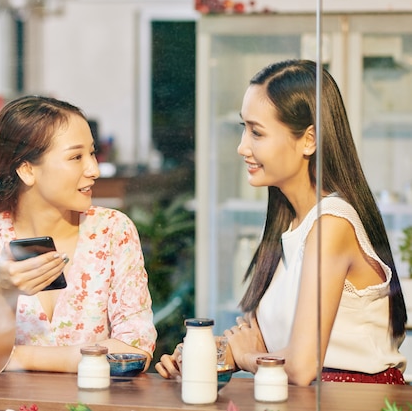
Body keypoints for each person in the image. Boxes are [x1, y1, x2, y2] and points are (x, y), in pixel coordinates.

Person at [155, 59, 407, 385]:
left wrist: (246, 357)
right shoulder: (291, 226)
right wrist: (210, 353)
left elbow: (300, 369)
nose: (242, 146)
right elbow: (267, 345)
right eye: (243, 129)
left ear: (309, 140)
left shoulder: (332, 224)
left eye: (257, 132)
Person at [0, 95, 157, 375]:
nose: (93, 170)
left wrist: (20, 358)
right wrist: (3, 294)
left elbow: (136, 352)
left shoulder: (113, 230)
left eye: (92, 153)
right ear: (27, 169)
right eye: (76, 157)